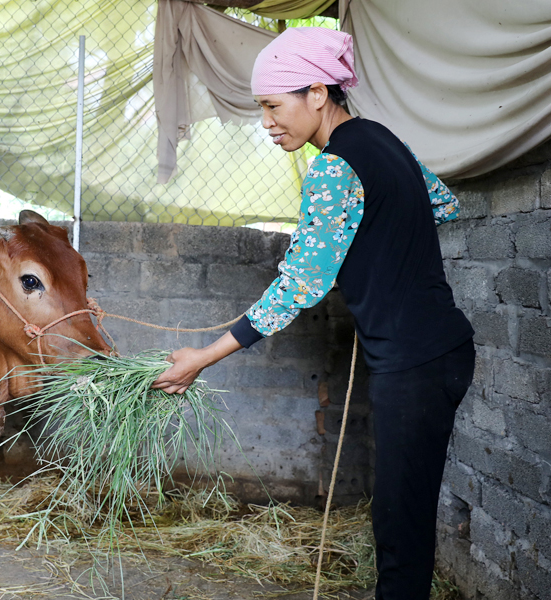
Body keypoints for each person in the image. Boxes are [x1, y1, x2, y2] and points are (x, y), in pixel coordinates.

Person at [152, 27, 475, 600]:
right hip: (441, 350)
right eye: (262, 109)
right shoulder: (382, 140)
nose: (268, 122)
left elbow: (299, 285)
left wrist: (203, 357)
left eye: (275, 106)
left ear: (318, 93)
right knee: (408, 515)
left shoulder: (332, 169)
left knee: (399, 532)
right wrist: (377, 246)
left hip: (414, 361)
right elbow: (442, 203)